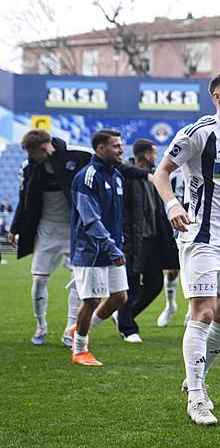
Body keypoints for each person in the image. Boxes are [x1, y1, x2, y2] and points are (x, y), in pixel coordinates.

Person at [152, 70, 220, 426]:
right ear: (217, 97)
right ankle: (197, 397)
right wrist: (173, 205)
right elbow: (160, 173)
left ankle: (194, 377)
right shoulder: (197, 133)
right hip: (200, 238)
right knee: (202, 314)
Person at [9, 128, 148, 347]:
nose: (31, 157)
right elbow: (24, 197)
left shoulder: (79, 155)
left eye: (33, 153)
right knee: (39, 280)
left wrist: (147, 175)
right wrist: (15, 227)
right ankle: (41, 326)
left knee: (82, 285)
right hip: (47, 228)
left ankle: (71, 330)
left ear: (43, 148)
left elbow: (113, 166)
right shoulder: (29, 166)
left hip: (75, 230)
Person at [68, 130, 130, 366]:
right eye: (116, 146)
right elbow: (90, 219)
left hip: (113, 248)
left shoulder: (117, 176)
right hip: (91, 251)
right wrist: (111, 247)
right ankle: (80, 350)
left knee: (119, 297)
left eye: (121, 145)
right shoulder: (87, 176)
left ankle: (80, 329)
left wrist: (118, 244)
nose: (121, 150)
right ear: (101, 149)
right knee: (92, 300)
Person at [114, 139, 180, 342]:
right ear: (145, 155)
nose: (156, 157)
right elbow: (123, 213)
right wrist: (126, 242)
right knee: (132, 284)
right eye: (154, 153)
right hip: (135, 240)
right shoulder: (124, 176)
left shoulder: (155, 176)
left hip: (153, 240)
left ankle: (124, 315)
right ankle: (128, 329)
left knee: (155, 284)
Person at [156, 168, 185, 327]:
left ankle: (192, 312)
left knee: (195, 271)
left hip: (199, 227)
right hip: (174, 227)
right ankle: (170, 305)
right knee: (172, 271)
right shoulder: (174, 173)